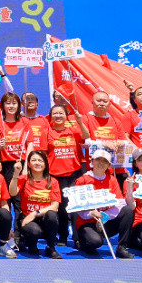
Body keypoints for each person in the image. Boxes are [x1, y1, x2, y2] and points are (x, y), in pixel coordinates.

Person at [43, 103, 90, 242]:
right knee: (62, 207)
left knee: (76, 205)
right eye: (55, 113)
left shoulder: (73, 130)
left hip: (74, 173)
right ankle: (63, 236)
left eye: (61, 113)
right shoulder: (47, 132)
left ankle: (77, 237)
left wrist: (80, 122)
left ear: (66, 116)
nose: (58, 116)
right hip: (56, 175)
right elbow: (44, 154)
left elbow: (86, 136)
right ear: (51, 116)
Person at [70, 149, 129, 258]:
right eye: (98, 160)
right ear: (92, 161)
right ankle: (83, 241)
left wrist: (104, 216)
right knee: (95, 242)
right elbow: (76, 207)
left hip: (105, 221)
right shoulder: (82, 180)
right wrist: (91, 213)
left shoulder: (112, 180)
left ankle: (122, 247)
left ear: (109, 165)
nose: (101, 163)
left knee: (127, 211)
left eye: (104, 161)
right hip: (87, 222)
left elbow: (120, 203)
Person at [9, 149, 62, 258]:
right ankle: (32, 246)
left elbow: (55, 207)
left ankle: (51, 247)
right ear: (29, 164)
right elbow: (12, 192)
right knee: (34, 231)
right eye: (34, 160)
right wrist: (16, 173)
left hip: (43, 218)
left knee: (52, 215)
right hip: (27, 220)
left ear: (45, 164)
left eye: (40, 161)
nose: (37, 163)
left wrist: (35, 213)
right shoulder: (23, 179)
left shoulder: (53, 181)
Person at [0, 92, 32, 183]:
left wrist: (26, 167)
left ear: (18, 106)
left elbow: (30, 144)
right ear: (3, 106)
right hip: (5, 165)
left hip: (22, 162)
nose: (11, 106)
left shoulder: (25, 121)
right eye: (8, 103)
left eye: (14, 103)